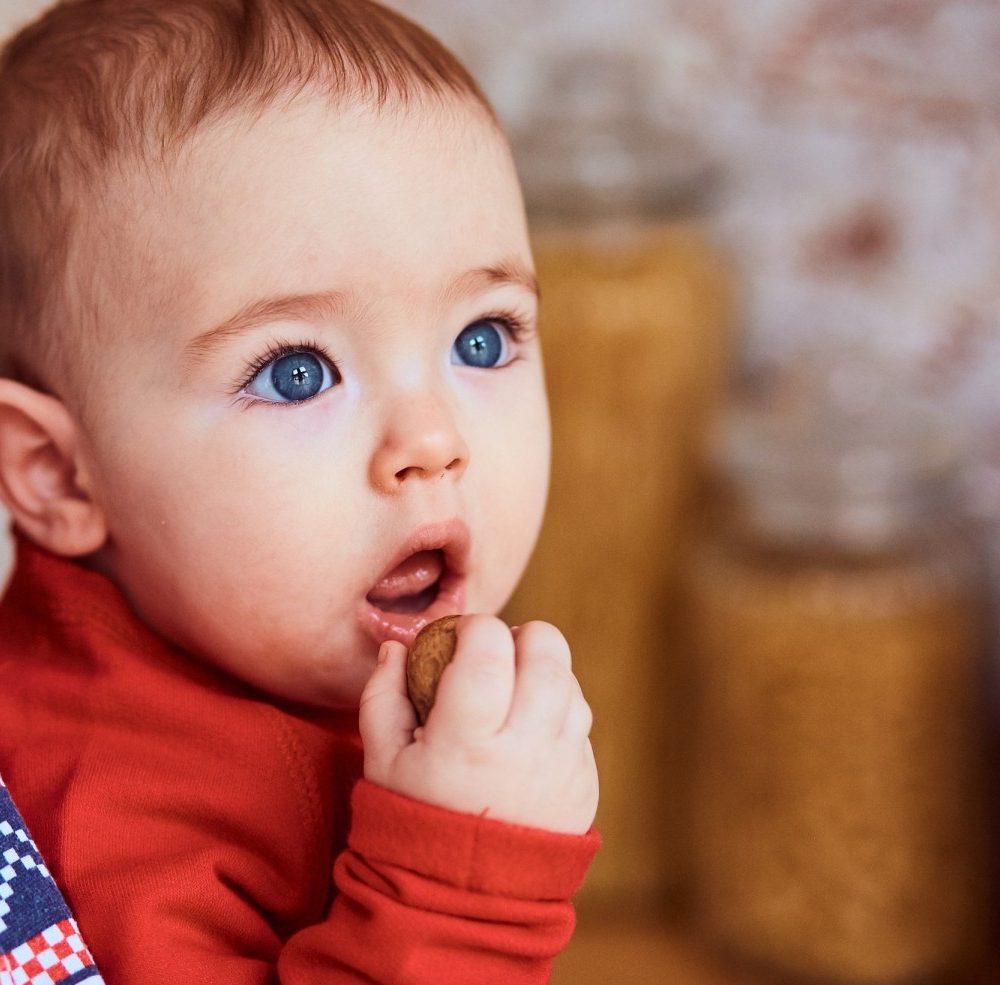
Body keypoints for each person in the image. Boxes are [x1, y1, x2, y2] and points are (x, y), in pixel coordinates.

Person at [0, 0, 600, 981]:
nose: (433, 442)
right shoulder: (99, 825)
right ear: (58, 473)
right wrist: (461, 895)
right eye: (296, 371)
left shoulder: (257, 631)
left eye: (480, 338)